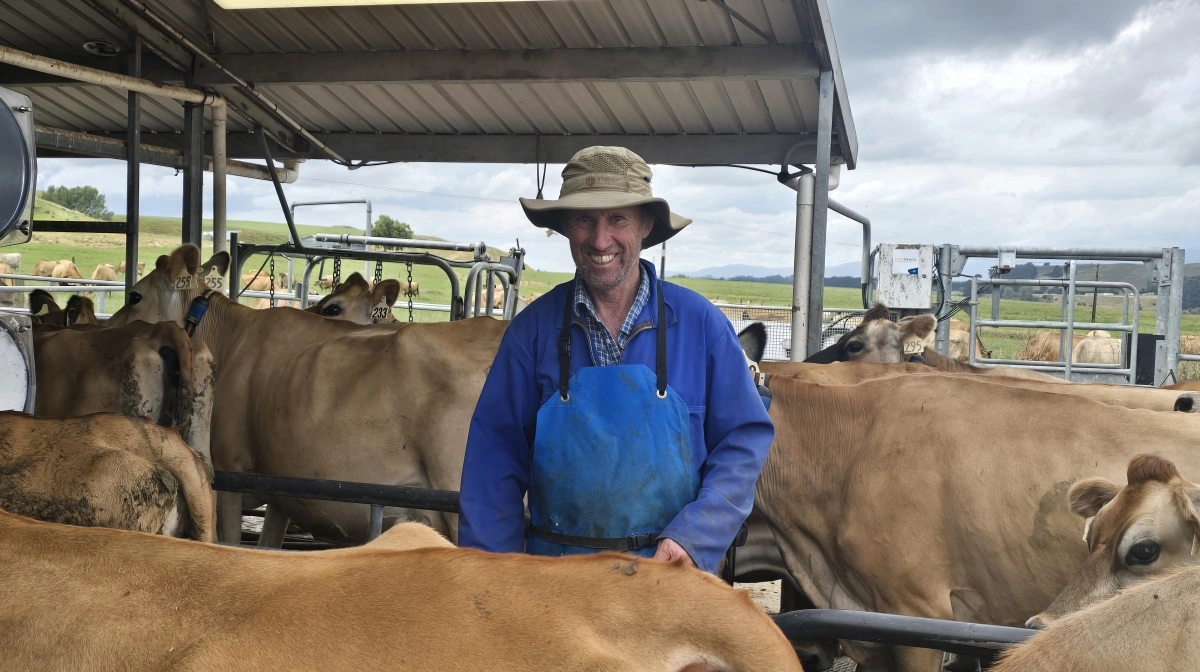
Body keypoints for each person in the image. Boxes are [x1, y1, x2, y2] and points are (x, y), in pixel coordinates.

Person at [458, 146, 773, 573]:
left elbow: (743, 441)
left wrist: (695, 535)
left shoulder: (703, 326)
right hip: (559, 585)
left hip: (671, 580)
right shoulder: (530, 333)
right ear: (566, 227)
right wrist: (494, 581)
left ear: (645, 225)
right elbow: (491, 466)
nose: (600, 240)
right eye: (584, 219)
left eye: (617, 219)